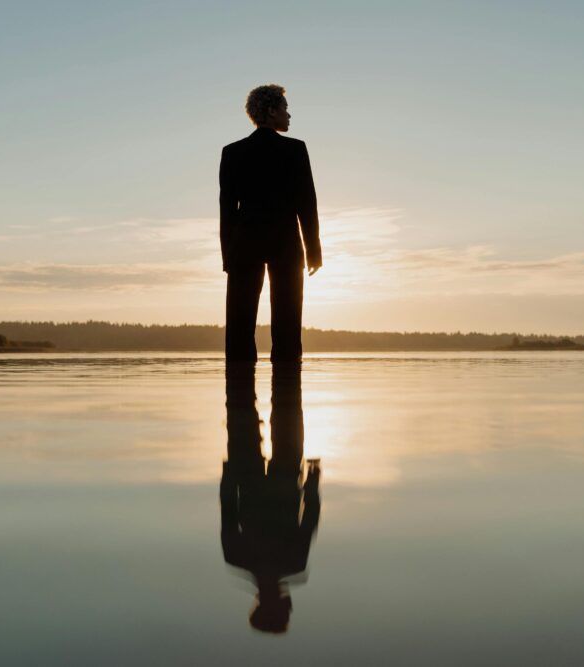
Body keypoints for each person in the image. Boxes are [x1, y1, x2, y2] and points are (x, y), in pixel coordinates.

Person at [219, 84, 323, 362]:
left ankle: (238, 397)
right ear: (271, 111)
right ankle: (288, 397)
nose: (289, 116)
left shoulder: (232, 152)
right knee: (288, 328)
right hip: (285, 243)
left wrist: (227, 254)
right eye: (286, 109)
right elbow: (307, 204)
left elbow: (227, 210)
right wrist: (314, 250)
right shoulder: (295, 150)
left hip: (243, 244)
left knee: (239, 330)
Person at [220, 361, 321, 633]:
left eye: (286, 610)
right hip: (253, 477)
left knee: (286, 409)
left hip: (280, 480)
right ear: (257, 603)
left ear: (276, 603)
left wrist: (313, 480)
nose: (291, 606)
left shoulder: (294, 563)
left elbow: (310, 518)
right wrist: (229, 473)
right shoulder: (235, 557)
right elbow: (228, 508)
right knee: (244, 405)